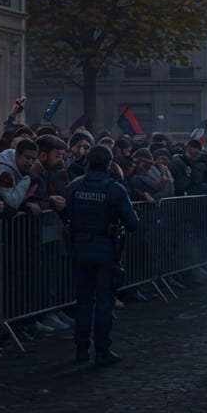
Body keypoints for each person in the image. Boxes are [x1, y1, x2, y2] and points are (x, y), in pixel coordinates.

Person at [63, 145, 138, 365]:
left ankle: (81, 349)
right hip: (106, 249)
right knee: (104, 302)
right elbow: (133, 223)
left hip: (80, 247)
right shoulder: (114, 189)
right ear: (108, 164)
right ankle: (102, 351)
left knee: (83, 301)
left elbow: (67, 213)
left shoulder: (74, 186)